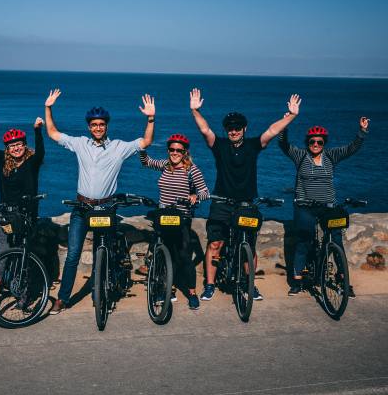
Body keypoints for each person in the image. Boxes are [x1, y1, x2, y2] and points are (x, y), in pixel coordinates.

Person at [44, 89, 155, 315]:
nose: (97, 128)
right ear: (89, 127)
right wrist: (48, 108)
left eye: (101, 124)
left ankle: (102, 291)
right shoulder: (80, 143)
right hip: (82, 207)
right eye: (94, 125)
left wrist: (150, 118)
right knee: (73, 254)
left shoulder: (118, 147)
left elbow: (146, 141)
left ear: (106, 126)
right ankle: (63, 298)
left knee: (101, 252)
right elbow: (53, 133)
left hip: (106, 207)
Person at [190, 88, 302, 302]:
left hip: (247, 204)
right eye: (230, 128)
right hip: (221, 202)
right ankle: (210, 285)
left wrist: (292, 116)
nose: (234, 131)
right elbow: (205, 131)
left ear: (244, 128)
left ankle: (250, 285)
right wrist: (195, 111)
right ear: (226, 130)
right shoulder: (219, 145)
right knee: (215, 244)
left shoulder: (253, 145)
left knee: (249, 245)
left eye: (238, 128)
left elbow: (271, 130)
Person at [279, 117, 369, 297]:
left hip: (328, 207)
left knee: (336, 240)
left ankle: (343, 281)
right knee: (304, 241)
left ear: (324, 143)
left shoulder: (330, 156)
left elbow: (351, 149)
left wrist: (362, 131)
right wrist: (285, 125)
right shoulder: (301, 156)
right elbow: (284, 145)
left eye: (319, 141)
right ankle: (297, 281)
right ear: (308, 142)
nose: (315, 144)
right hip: (305, 207)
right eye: (312, 141)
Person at [0, 113, 45, 304]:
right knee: (3, 250)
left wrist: (37, 131)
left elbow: (41, 152)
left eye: (19, 144)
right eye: (12, 146)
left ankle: (22, 289)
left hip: (27, 214)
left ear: (25, 145)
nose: (16, 148)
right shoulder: (3, 160)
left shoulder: (32, 162)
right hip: (6, 213)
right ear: (7, 149)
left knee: (24, 250)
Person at [139, 133, 210, 310]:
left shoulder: (192, 170)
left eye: (179, 150)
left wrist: (195, 196)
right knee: (164, 254)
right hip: (164, 216)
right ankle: (166, 289)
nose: (175, 152)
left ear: (185, 152)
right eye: (172, 149)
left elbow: (205, 192)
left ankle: (192, 293)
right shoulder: (165, 165)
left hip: (182, 218)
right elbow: (146, 162)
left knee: (185, 257)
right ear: (168, 150)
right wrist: (141, 147)